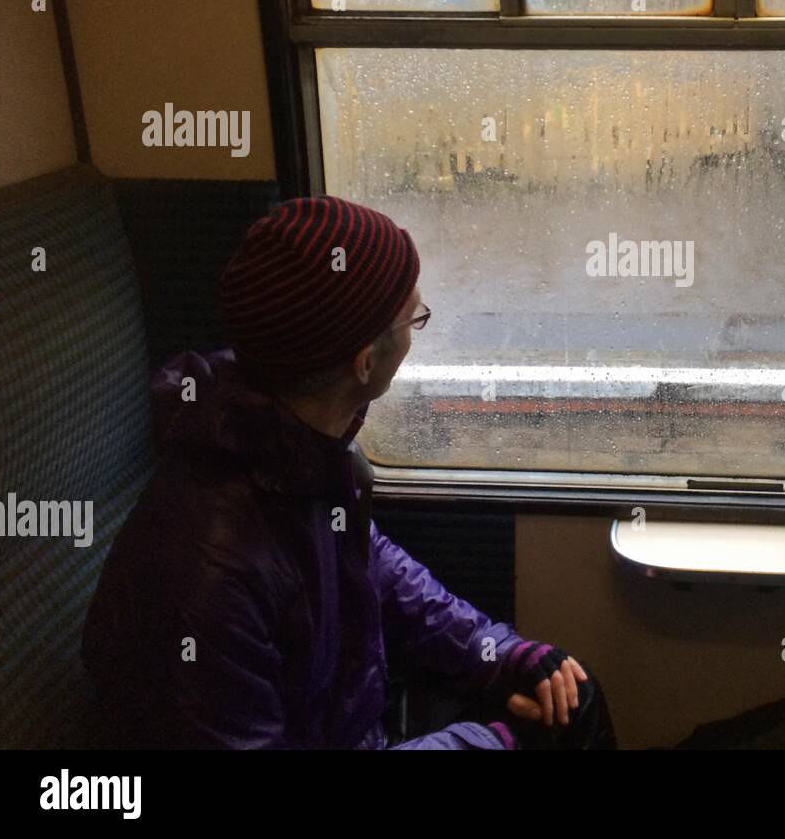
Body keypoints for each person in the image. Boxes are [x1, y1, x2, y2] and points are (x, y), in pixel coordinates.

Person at [81, 195, 615, 750]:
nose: (419, 324)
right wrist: (494, 745)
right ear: (364, 362)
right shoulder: (211, 577)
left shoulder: (289, 444)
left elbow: (368, 567)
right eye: (416, 318)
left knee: (572, 698)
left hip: (348, 715)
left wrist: (495, 652)